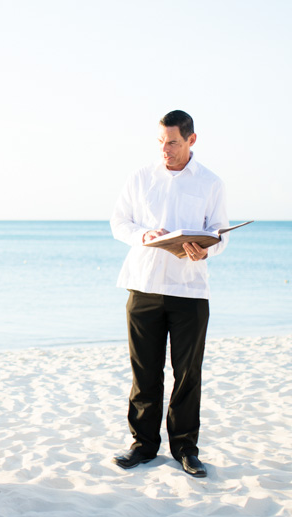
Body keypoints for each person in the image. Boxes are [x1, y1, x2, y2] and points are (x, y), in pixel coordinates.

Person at [109, 110, 229, 478]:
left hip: (190, 290)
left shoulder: (211, 182)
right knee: (144, 372)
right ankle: (143, 446)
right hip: (143, 284)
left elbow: (220, 232)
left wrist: (207, 248)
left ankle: (185, 449)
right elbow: (120, 223)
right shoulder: (140, 177)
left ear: (192, 140)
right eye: (161, 142)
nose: (166, 150)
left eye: (173, 143)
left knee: (187, 373)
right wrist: (142, 236)